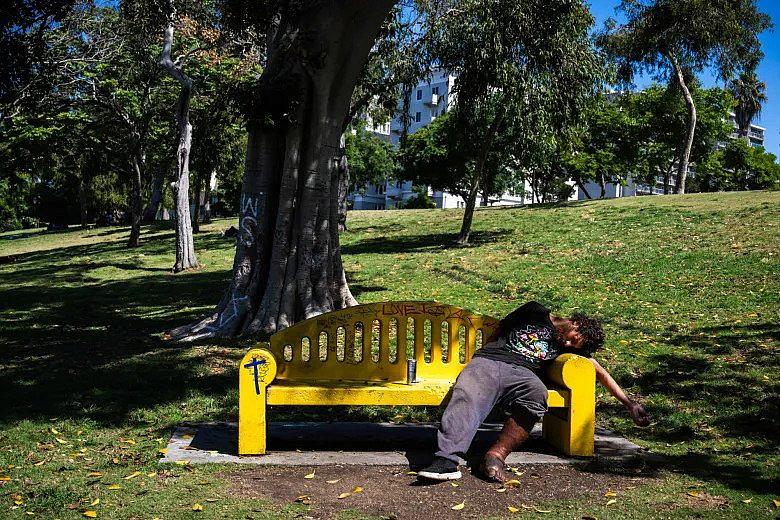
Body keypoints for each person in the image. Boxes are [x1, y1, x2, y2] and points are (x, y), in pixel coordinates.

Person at [417, 301, 651, 482]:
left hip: (523, 372)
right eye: (572, 340)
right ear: (576, 324)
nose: (568, 345)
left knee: (537, 394)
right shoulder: (535, 311)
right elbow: (500, 329)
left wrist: (629, 404)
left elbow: (599, 371)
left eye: (573, 347)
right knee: (468, 394)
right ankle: (446, 459)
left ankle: (496, 455)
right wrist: (485, 355)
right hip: (490, 361)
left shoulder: (566, 346)